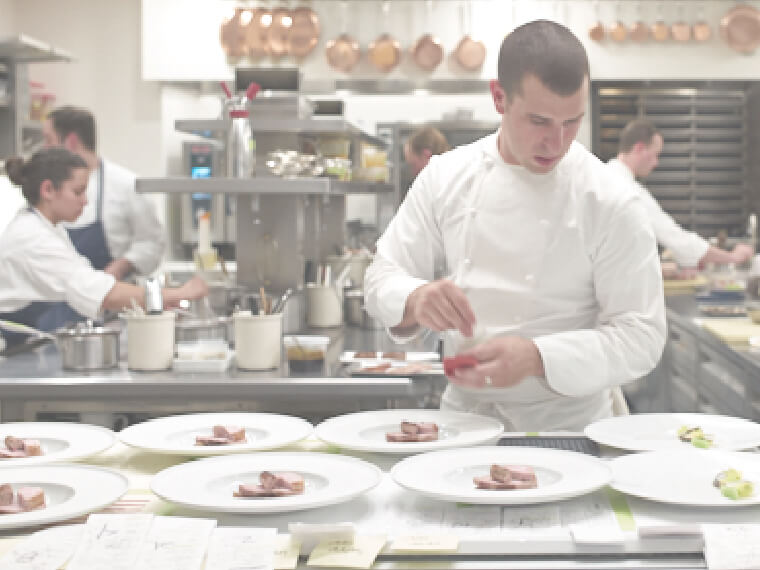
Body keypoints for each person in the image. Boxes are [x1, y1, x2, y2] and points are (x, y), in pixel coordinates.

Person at [364, 20, 666, 431]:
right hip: (463, 425)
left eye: (571, 122)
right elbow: (382, 275)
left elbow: (641, 335)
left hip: (569, 429)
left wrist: (538, 357)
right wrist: (415, 298)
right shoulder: (444, 177)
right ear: (499, 97)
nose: (556, 143)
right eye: (539, 121)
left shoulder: (610, 198)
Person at [0, 148, 207, 346]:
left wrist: (155, 300)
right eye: (78, 192)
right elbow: (103, 293)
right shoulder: (32, 238)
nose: (85, 201)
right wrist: (177, 293)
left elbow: (90, 280)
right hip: (11, 352)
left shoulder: (48, 227)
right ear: (48, 190)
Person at [607, 119, 754, 278]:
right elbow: (674, 238)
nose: (656, 163)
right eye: (655, 154)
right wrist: (732, 257)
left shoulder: (607, 177)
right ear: (639, 148)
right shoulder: (626, 189)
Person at [42, 106, 166, 280]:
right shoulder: (48, 188)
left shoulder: (127, 185)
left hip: (116, 296)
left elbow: (152, 243)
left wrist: (122, 265)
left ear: (71, 141)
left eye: (49, 140)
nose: (44, 148)